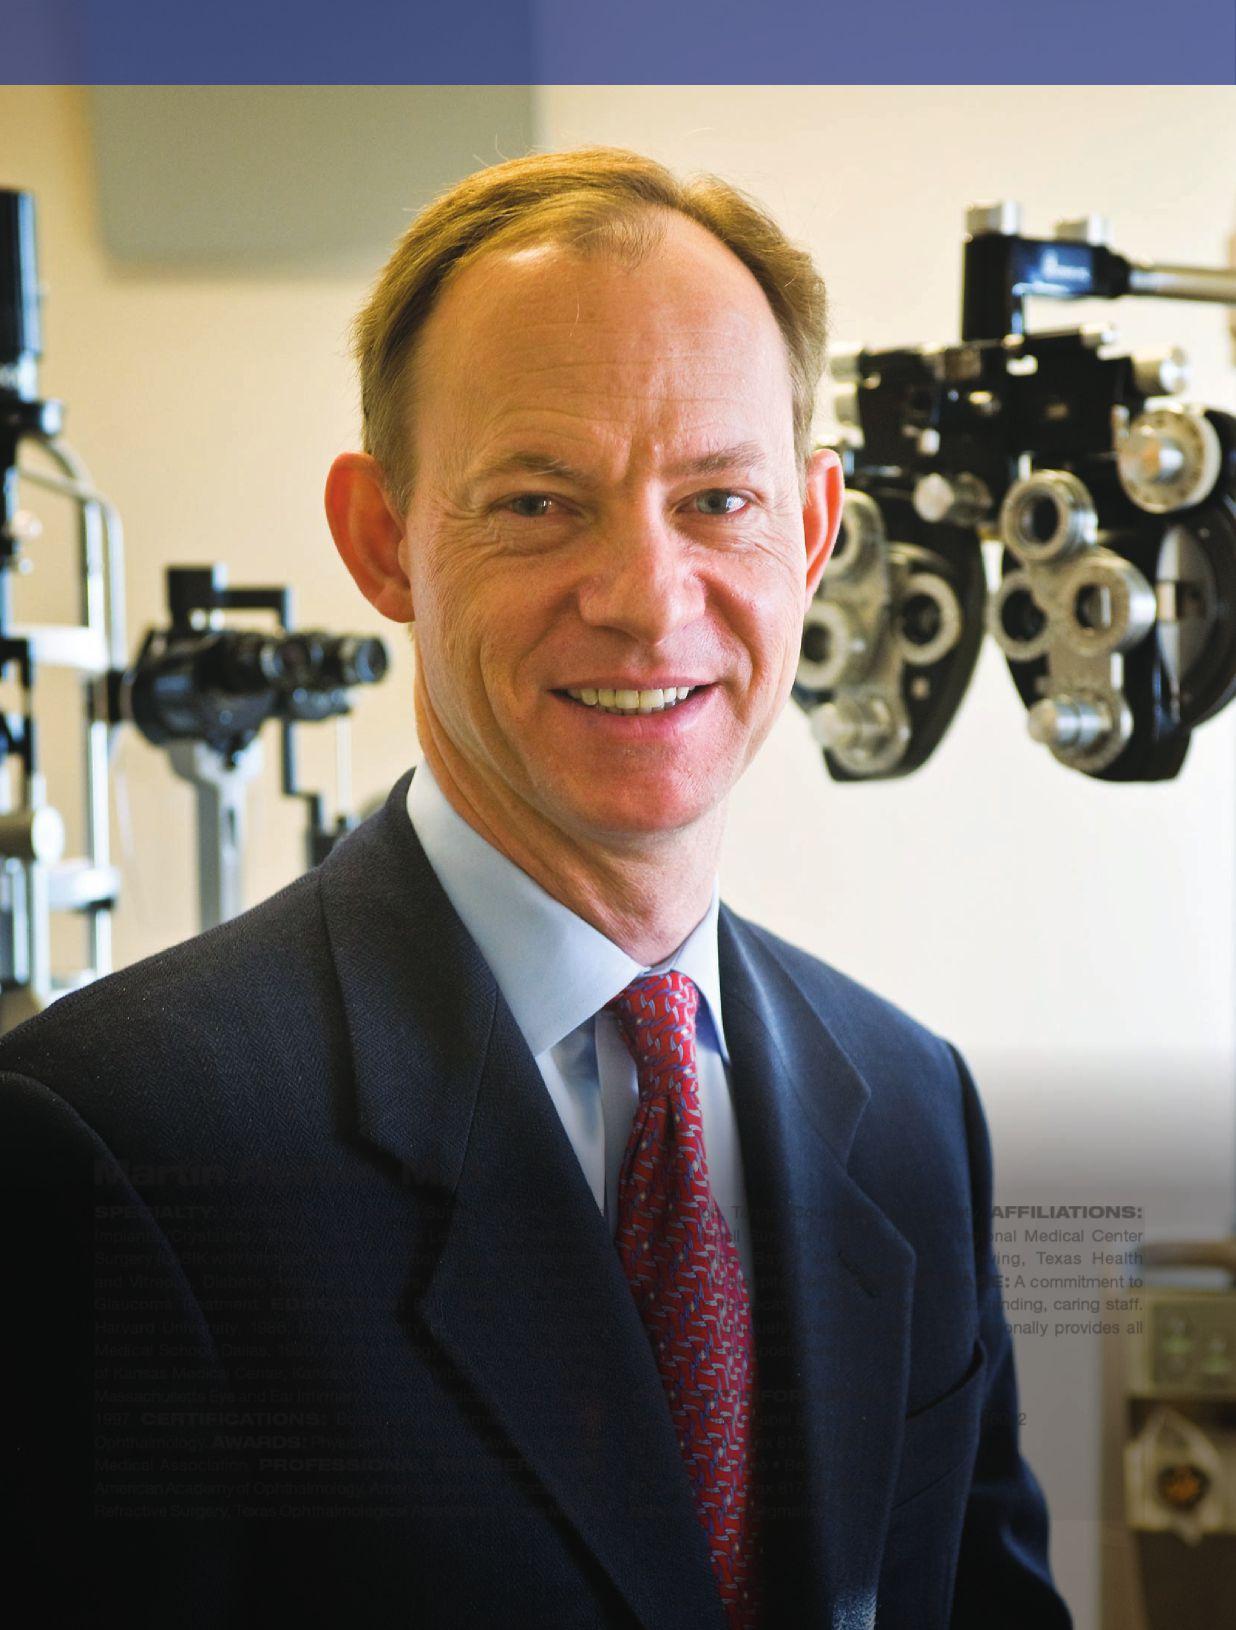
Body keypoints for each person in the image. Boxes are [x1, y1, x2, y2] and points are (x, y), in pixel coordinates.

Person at [1, 147, 1072, 1628]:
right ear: (383, 540)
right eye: (537, 502)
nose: (645, 596)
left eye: (719, 498)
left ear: (817, 531)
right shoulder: (116, 1143)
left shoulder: (911, 1108)